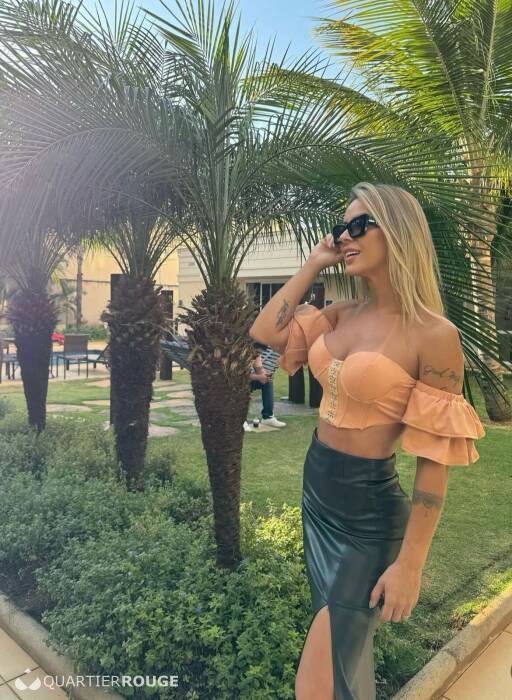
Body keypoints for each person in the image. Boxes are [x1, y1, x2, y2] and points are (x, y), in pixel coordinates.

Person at [248, 182, 486, 700]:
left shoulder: (433, 334)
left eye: (359, 225)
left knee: (318, 678)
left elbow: (433, 462)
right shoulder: (340, 313)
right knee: (343, 661)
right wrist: (315, 262)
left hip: (368, 516)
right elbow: (265, 331)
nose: (345, 237)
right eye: (341, 228)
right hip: (317, 494)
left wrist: (410, 565)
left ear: (397, 231)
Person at [244, 343, 286, 431]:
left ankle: (268, 417)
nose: (258, 354)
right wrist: (259, 377)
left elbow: (259, 368)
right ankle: (241, 420)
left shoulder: (257, 354)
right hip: (236, 382)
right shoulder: (242, 353)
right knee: (241, 385)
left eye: (260, 353)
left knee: (268, 382)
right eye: (257, 352)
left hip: (249, 378)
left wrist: (265, 376)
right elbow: (240, 376)